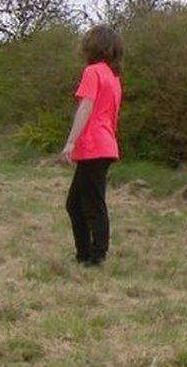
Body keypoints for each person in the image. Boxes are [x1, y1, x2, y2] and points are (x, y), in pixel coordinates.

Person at [60, 25, 123, 267]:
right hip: (105, 144)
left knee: (92, 203)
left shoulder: (93, 71)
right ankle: (84, 253)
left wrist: (70, 142)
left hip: (95, 145)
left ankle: (97, 255)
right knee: (76, 203)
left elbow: (86, 107)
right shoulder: (113, 76)